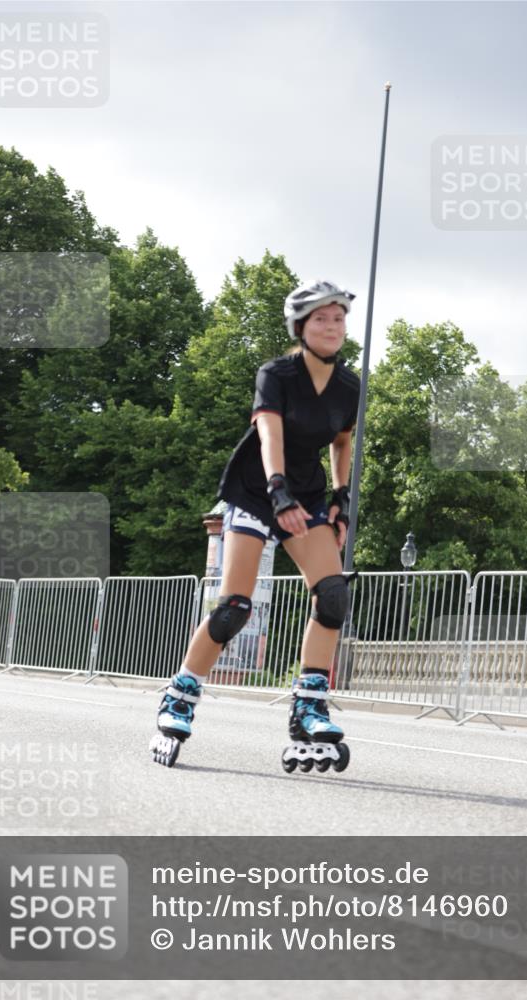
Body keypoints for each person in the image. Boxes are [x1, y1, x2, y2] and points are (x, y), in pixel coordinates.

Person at [150, 279, 361, 772]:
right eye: (321, 319)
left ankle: (309, 705)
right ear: (301, 327)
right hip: (254, 488)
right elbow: (269, 434)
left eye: (339, 319)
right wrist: (277, 489)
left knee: (332, 595)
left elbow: (342, 442)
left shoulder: (350, 386)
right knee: (235, 609)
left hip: (306, 491)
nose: (332, 327)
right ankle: (180, 695)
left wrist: (340, 498)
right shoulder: (276, 374)